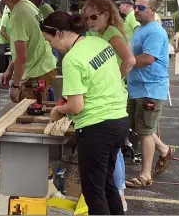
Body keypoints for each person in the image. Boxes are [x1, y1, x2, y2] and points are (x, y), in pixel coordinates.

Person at [42, 11, 129, 215]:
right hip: (119, 120)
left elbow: (76, 106)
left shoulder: (72, 59)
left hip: (97, 128)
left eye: (49, 40)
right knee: (107, 184)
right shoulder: (98, 43)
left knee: (93, 191)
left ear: (58, 33)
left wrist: (58, 110)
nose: (51, 46)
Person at [83, 0, 136, 211]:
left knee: (110, 162)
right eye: (86, 18)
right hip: (107, 99)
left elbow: (129, 60)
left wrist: (116, 79)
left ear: (107, 14)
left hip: (111, 102)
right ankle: (117, 195)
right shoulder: (99, 34)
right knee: (108, 166)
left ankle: (120, 192)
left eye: (94, 17)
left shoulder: (112, 33)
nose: (89, 22)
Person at [125, 0, 175, 188]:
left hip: (151, 88)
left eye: (141, 8)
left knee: (145, 131)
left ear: (153, 11)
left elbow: (147, 58)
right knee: (140, 127)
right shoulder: (139, 29)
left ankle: (145, 175)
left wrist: (124, 65)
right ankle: (164, 150)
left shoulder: (155, 32)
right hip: (137, 87)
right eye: (136, 7)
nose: (136, 10)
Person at [0, 0, 57, 103]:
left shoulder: (18, 16)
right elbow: (26, 47)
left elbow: (22, 57)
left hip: (36, 72)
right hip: (45, 66)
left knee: (31, 114)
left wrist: (15, 85)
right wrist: (9, 69)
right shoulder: (28, 5)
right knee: (43, 108)